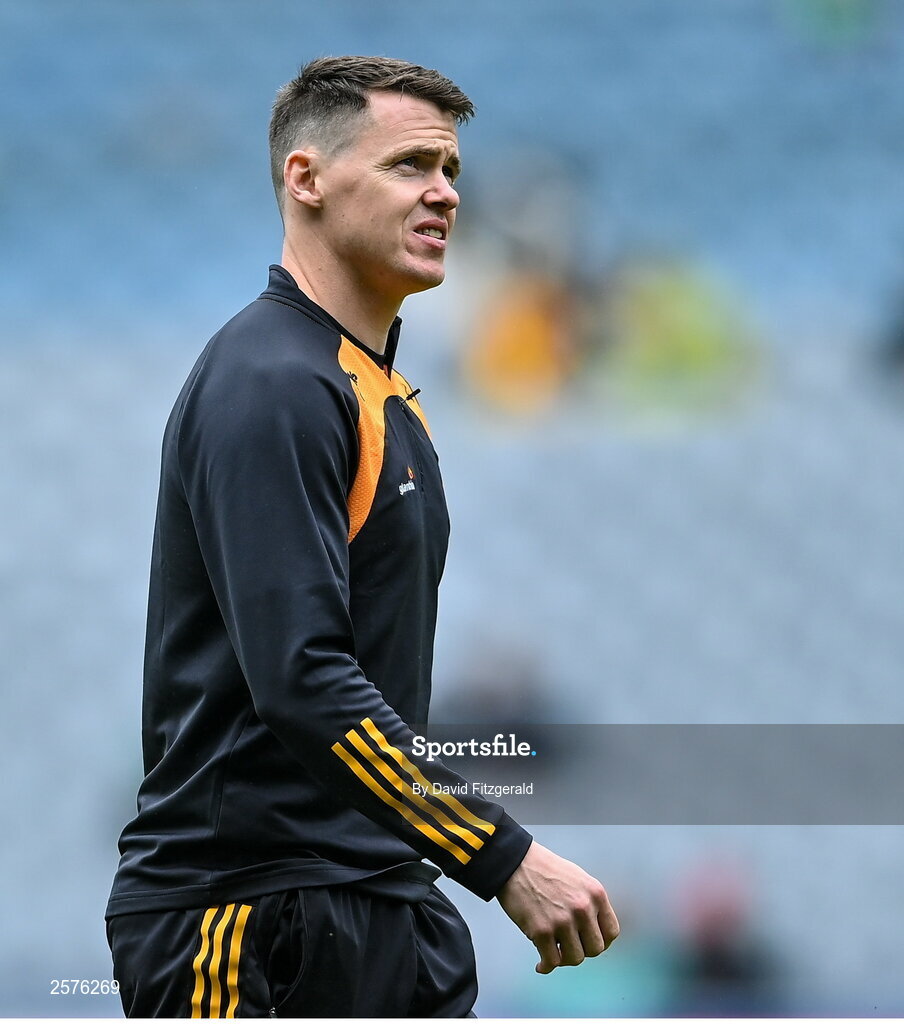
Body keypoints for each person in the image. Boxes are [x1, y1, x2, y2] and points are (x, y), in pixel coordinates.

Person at [105, 55, 619, 1018]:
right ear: (306, 179)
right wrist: (501, 855)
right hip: (251, 918)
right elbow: (302, 680)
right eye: (409, 165)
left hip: (371, 904)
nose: (446, 194)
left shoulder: (371, 391)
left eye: (453, 170)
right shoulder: (272, 382)